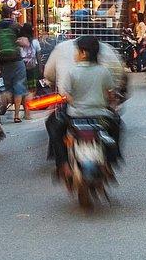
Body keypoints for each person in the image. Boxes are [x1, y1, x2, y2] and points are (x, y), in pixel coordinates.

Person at [49, 36, 121, 178]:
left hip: (75, 116)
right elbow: (110, 95)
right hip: (100, 116)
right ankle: (110, 163)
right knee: (117, 125)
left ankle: (63, 164)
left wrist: (74, 101)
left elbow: (66, 95)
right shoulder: (103, 71)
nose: (75, 54)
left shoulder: (73, 72)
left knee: (54, 127)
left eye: (77, 51)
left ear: (84, 53)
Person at [0, 6, 28, 123]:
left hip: (3, 61)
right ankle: (16, 115)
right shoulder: (16, 26)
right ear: (11, 14)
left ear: (0, 14)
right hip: (17, 60)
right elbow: (24, 42)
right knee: (19, 86)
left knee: (6, 87)